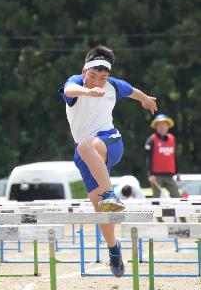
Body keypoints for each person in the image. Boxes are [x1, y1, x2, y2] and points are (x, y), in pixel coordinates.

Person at [58, 45, 157, 278]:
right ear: (84, 72)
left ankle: (110, 192)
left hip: (109, 141)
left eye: (103, 78)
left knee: (86, 146)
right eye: (93, 76)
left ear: (109, 76)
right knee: (98, 206)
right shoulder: (77, 82)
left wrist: (146, 101)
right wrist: (87, 92)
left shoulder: (113, 85)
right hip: (85, 155)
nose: (97, 82)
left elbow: (133, 91)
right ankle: (114, 249)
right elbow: (69, 89)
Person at [146, 114, 180, 198]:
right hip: (156, 176)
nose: (162, 127)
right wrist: (150, 174)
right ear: (156, 126)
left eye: (164, 124)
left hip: (170, 175)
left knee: (177, 198)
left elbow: (174, 156)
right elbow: (148, 158)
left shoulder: (172, 138)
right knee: (156, 200)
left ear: (168, 126)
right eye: (159, 124)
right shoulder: (151, 140)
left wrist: (177, 172)